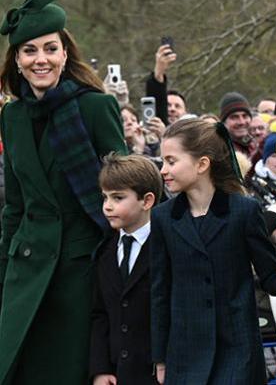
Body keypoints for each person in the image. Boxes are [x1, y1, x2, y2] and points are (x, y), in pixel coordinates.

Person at [0, 0, 128, 384]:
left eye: (50, 48)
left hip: (81, 273)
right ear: (16, 59)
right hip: (25, 274)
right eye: (30, 50)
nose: (41, 59)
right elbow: (15, 206)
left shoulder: (96, 107)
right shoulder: (12, 117)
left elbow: (124, 193)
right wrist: (5, 270)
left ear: (65, 52)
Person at [150, 119, 276, 384]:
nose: (164, 170)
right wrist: (160, 358)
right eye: (163, 162)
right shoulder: (163, 218)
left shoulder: (243, 211)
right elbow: (160, 292)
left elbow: (269, 273)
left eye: (171, 161)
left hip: (237, 350)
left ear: (202, 164)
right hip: (185, 352)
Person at [90, 154, 163, 385]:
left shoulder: (167, 248)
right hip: (117, 375)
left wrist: (165, 360)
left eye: (118, 197)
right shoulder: (105, 251)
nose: (108, 206)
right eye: (105, 197)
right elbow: (100, 313)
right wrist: (100, 369)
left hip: (156, 373)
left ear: (147, 201)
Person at [218, 91, 255, 158]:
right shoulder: (220, 151)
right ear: (223, 122)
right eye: (234, 117)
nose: (242, 122)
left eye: (245, 116)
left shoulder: (255, 145)